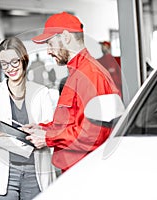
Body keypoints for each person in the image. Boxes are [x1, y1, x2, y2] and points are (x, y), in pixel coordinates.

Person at [25, 12, 120, 172]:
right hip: (75, 170)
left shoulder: (90, 75)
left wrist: (48, 138)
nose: (48, 51)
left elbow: (93, 135)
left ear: (66, 37)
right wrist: (43, 129)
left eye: (50, 43)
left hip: (85, 172)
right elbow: (73, 122)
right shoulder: (77, 73)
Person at [0, 37, 56, 200]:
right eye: (4, 64)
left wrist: (8, 133)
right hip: (5, 173)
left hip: (35, 173)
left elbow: (48, 131)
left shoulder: (41, 92)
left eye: (14, 62)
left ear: (23, 60)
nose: (10, 68)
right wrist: (30, 140)